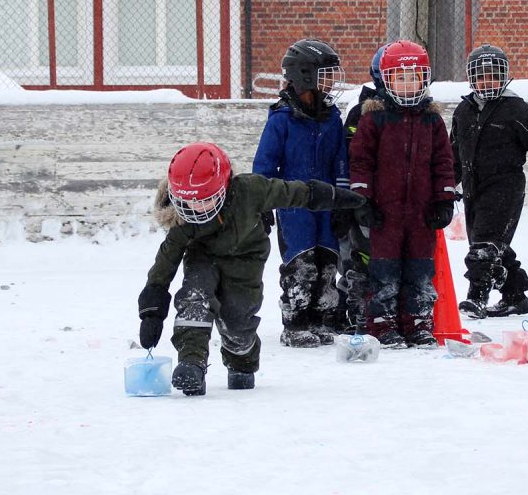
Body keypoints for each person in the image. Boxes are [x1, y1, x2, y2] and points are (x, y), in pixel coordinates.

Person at [136, 142, 365, 396]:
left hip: (246, 259)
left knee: (238, 320)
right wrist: (152, 313)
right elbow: (165, 263)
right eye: (189, 202)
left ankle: (241, 362)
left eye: (206, 201)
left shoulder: (250, 190)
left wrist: (334, 197)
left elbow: (294, 192)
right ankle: (191, 363)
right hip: (203, 258)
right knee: (194, 297)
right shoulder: (184, 218)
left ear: (223, 187)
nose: (197, 209)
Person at [451, 44, 528, 319]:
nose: (487, 81)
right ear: (471, 79)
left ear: (505, 76)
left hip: (505, 187)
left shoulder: (515, 109)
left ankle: (476, 297)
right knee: (495, 246)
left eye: (494, 75)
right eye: (481, 76)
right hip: (474, 188)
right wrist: (446, 187)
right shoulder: (463, 111)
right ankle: (515, 296)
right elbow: (454, 156)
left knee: (484, 246)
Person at [349, 40, 457, 348]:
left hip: (421, 214)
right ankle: (383, 325)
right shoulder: (374, 119)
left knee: (420, 269)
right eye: (401, 77)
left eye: (415, 77)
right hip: (386, 212)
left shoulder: (432, 120)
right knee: (385, 269)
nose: (408, 84)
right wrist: (363, 200)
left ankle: (419, 322)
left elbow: (444, 163)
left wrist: (444, 199)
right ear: (386, 80)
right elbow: (360, 162)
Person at [253, 39, 350, 348]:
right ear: (305, 75)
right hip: (293, 205)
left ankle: (322, 319)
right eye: (326, 75)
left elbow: (341, 161)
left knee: (327, 262)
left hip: (327, 202)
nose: (332, 82)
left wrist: (343, 202)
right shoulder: (282, 119)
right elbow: (265, 164)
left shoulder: (332, 118)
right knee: (301, 263)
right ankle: (295, 323)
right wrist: (263, 202)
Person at [334, 45, 387, 334]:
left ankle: (386, 311)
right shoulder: (360, 114)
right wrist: (347, 202)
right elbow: (348, 160)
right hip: (361, 200)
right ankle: (351, 309)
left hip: (395, 201)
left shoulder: (412, 113)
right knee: (357, 256)